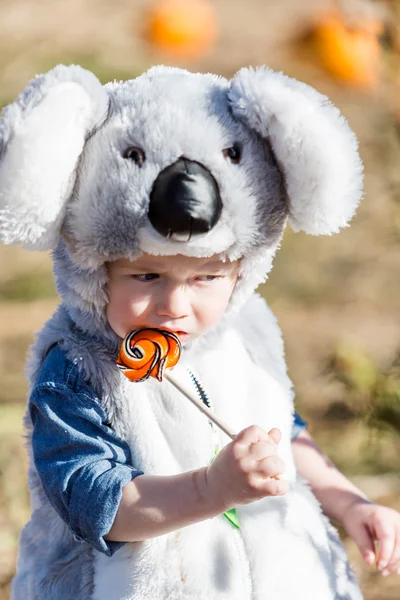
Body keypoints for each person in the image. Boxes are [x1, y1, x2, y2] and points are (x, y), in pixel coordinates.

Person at [0, 62, 398, 599]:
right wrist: (213, 488)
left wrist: (351, 503)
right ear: (94, 270)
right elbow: (98, 503)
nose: (175, 306)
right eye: (147, 275)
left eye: (207, 277)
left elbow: (283, 432)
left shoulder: (246, 335)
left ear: (242, 268)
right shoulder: (76, 370)